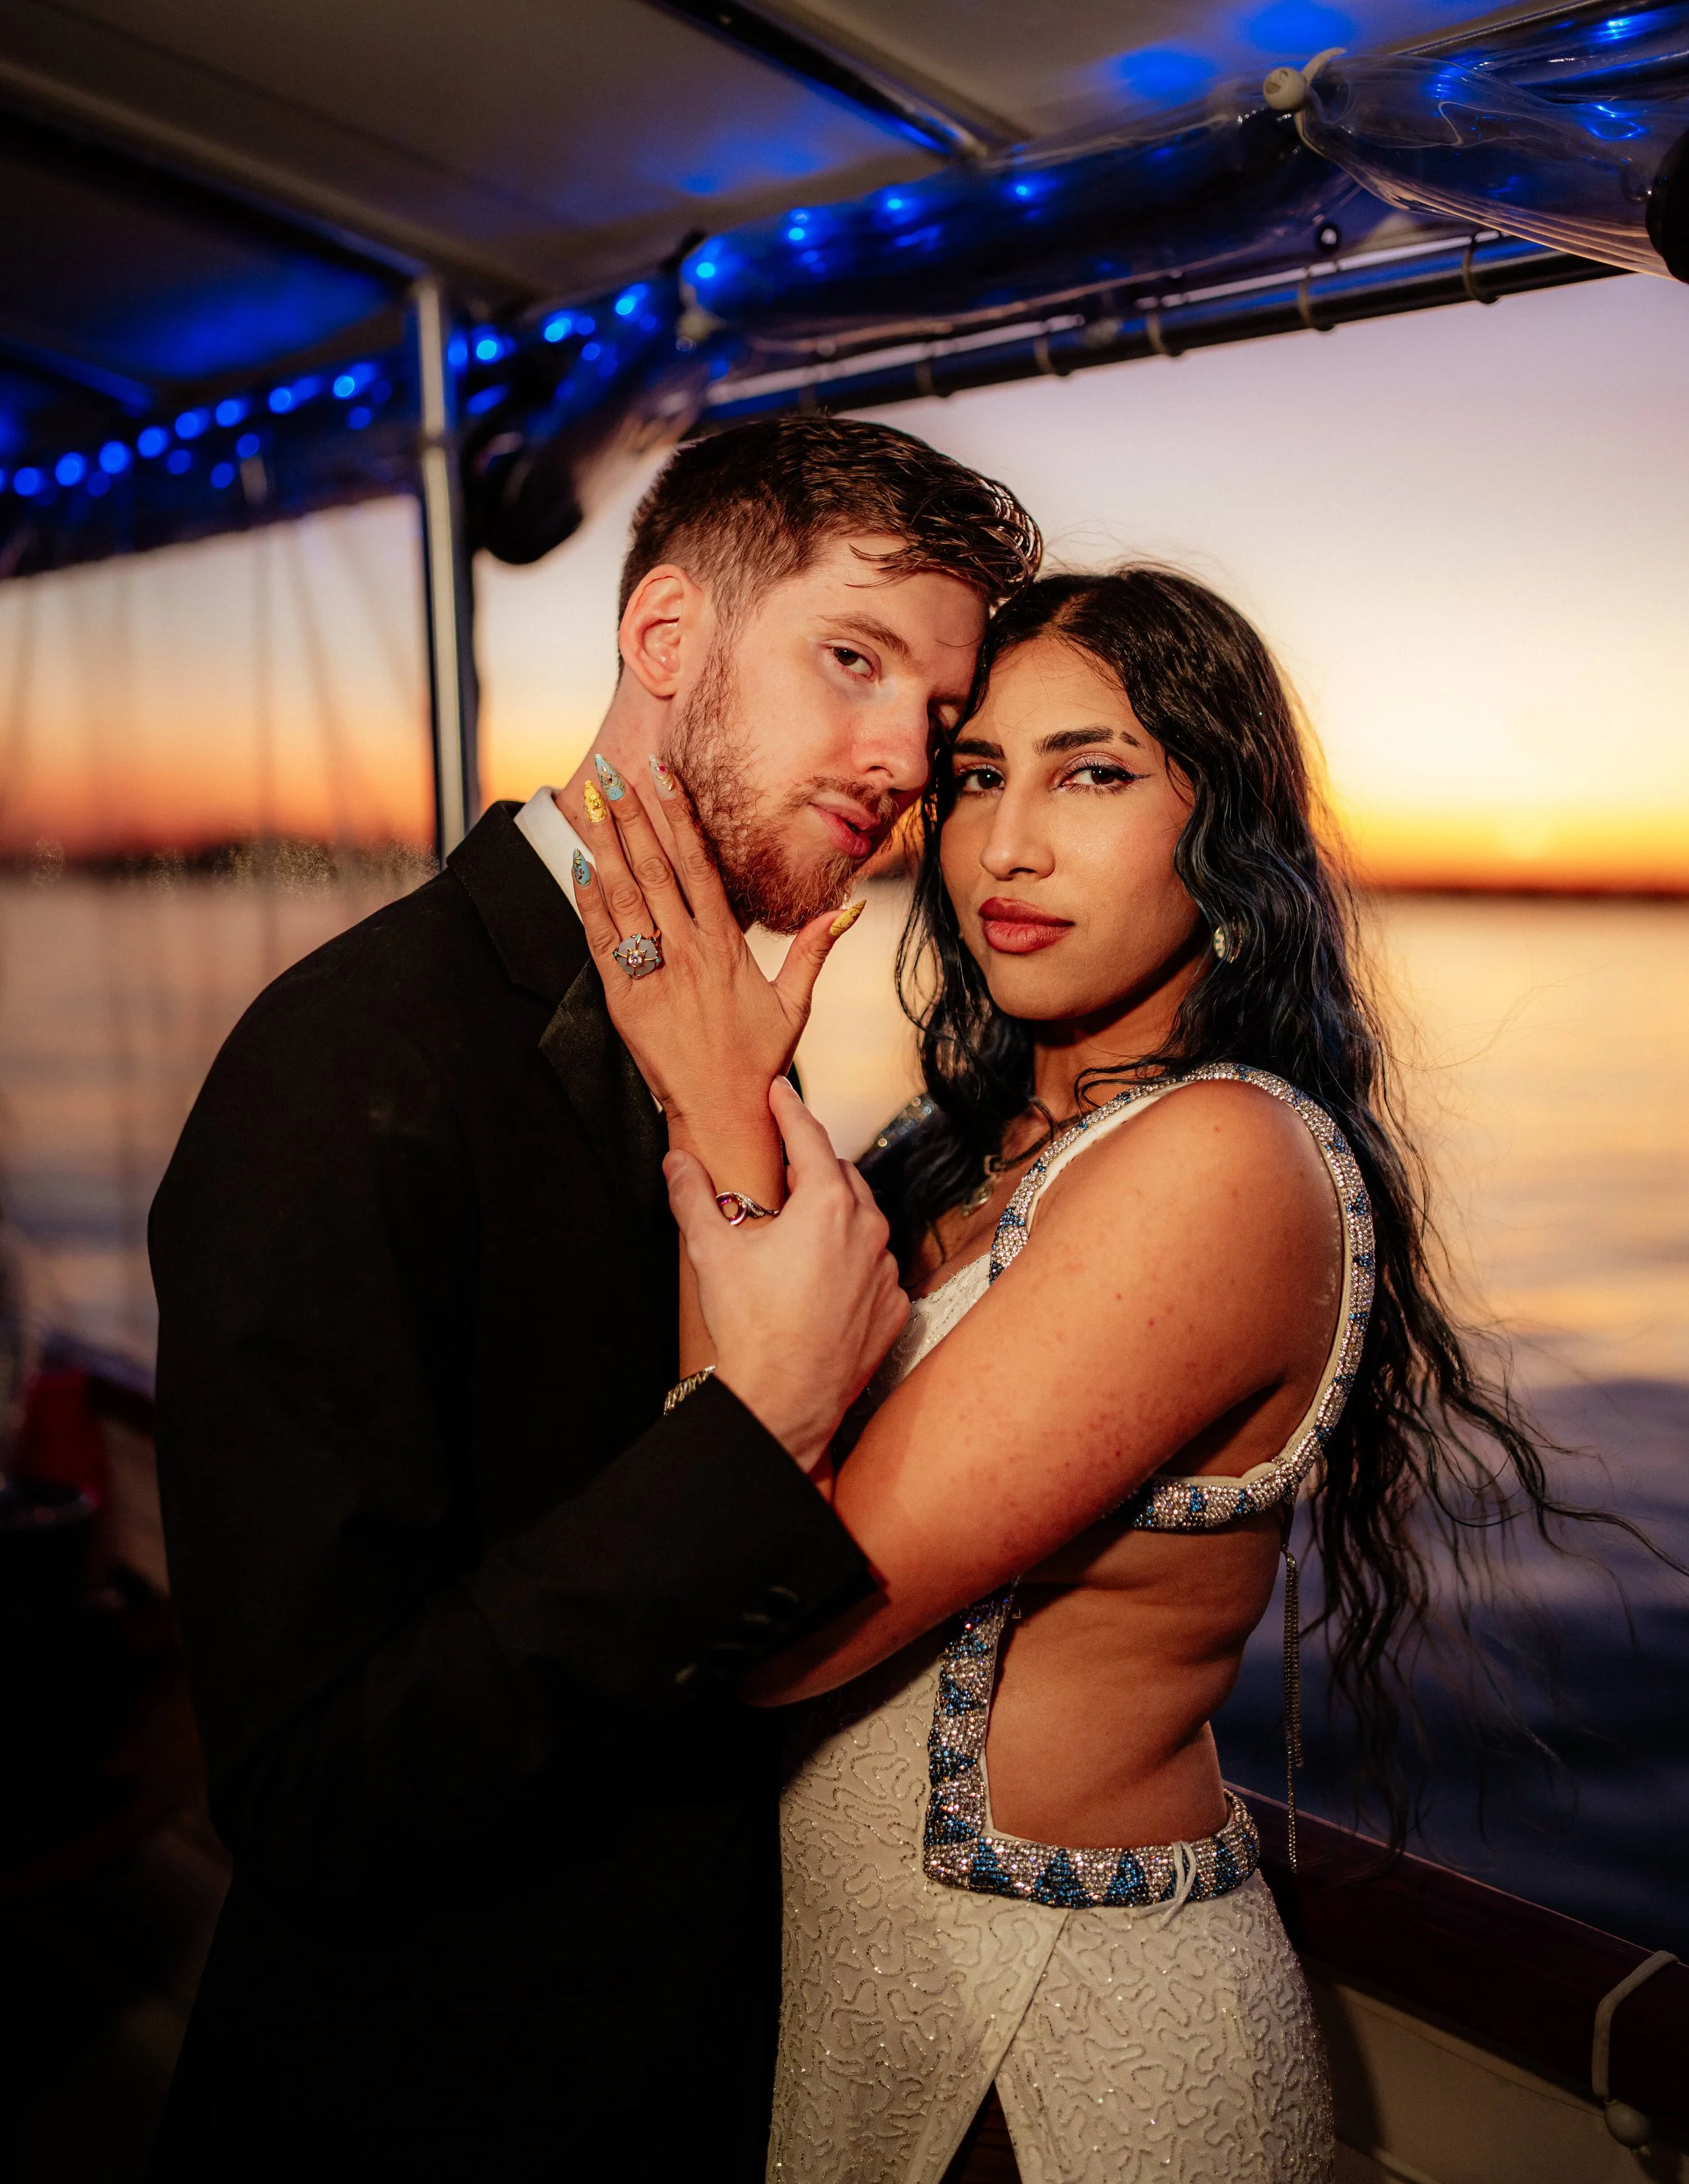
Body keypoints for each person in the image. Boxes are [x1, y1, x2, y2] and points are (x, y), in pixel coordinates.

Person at [578, 565, 1585, 2183]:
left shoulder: (1222, 1161)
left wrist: (716, 1114)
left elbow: (760, 1627)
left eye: (1092, 772)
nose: (1006, 844)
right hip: (854, 2006)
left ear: (1223, 825)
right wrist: (740, 1108)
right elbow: (703, 1462)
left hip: (1059, 2046)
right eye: (976, 776)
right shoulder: (946, 1148)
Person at [145, 413, 1040, 2181]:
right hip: (431, 2104)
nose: (897, 764)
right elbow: (312, 1791)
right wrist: (759, 1427)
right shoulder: (348, 1064)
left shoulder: (744, 1061)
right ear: (665, 642)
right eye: (848, 661)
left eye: (935, 719)